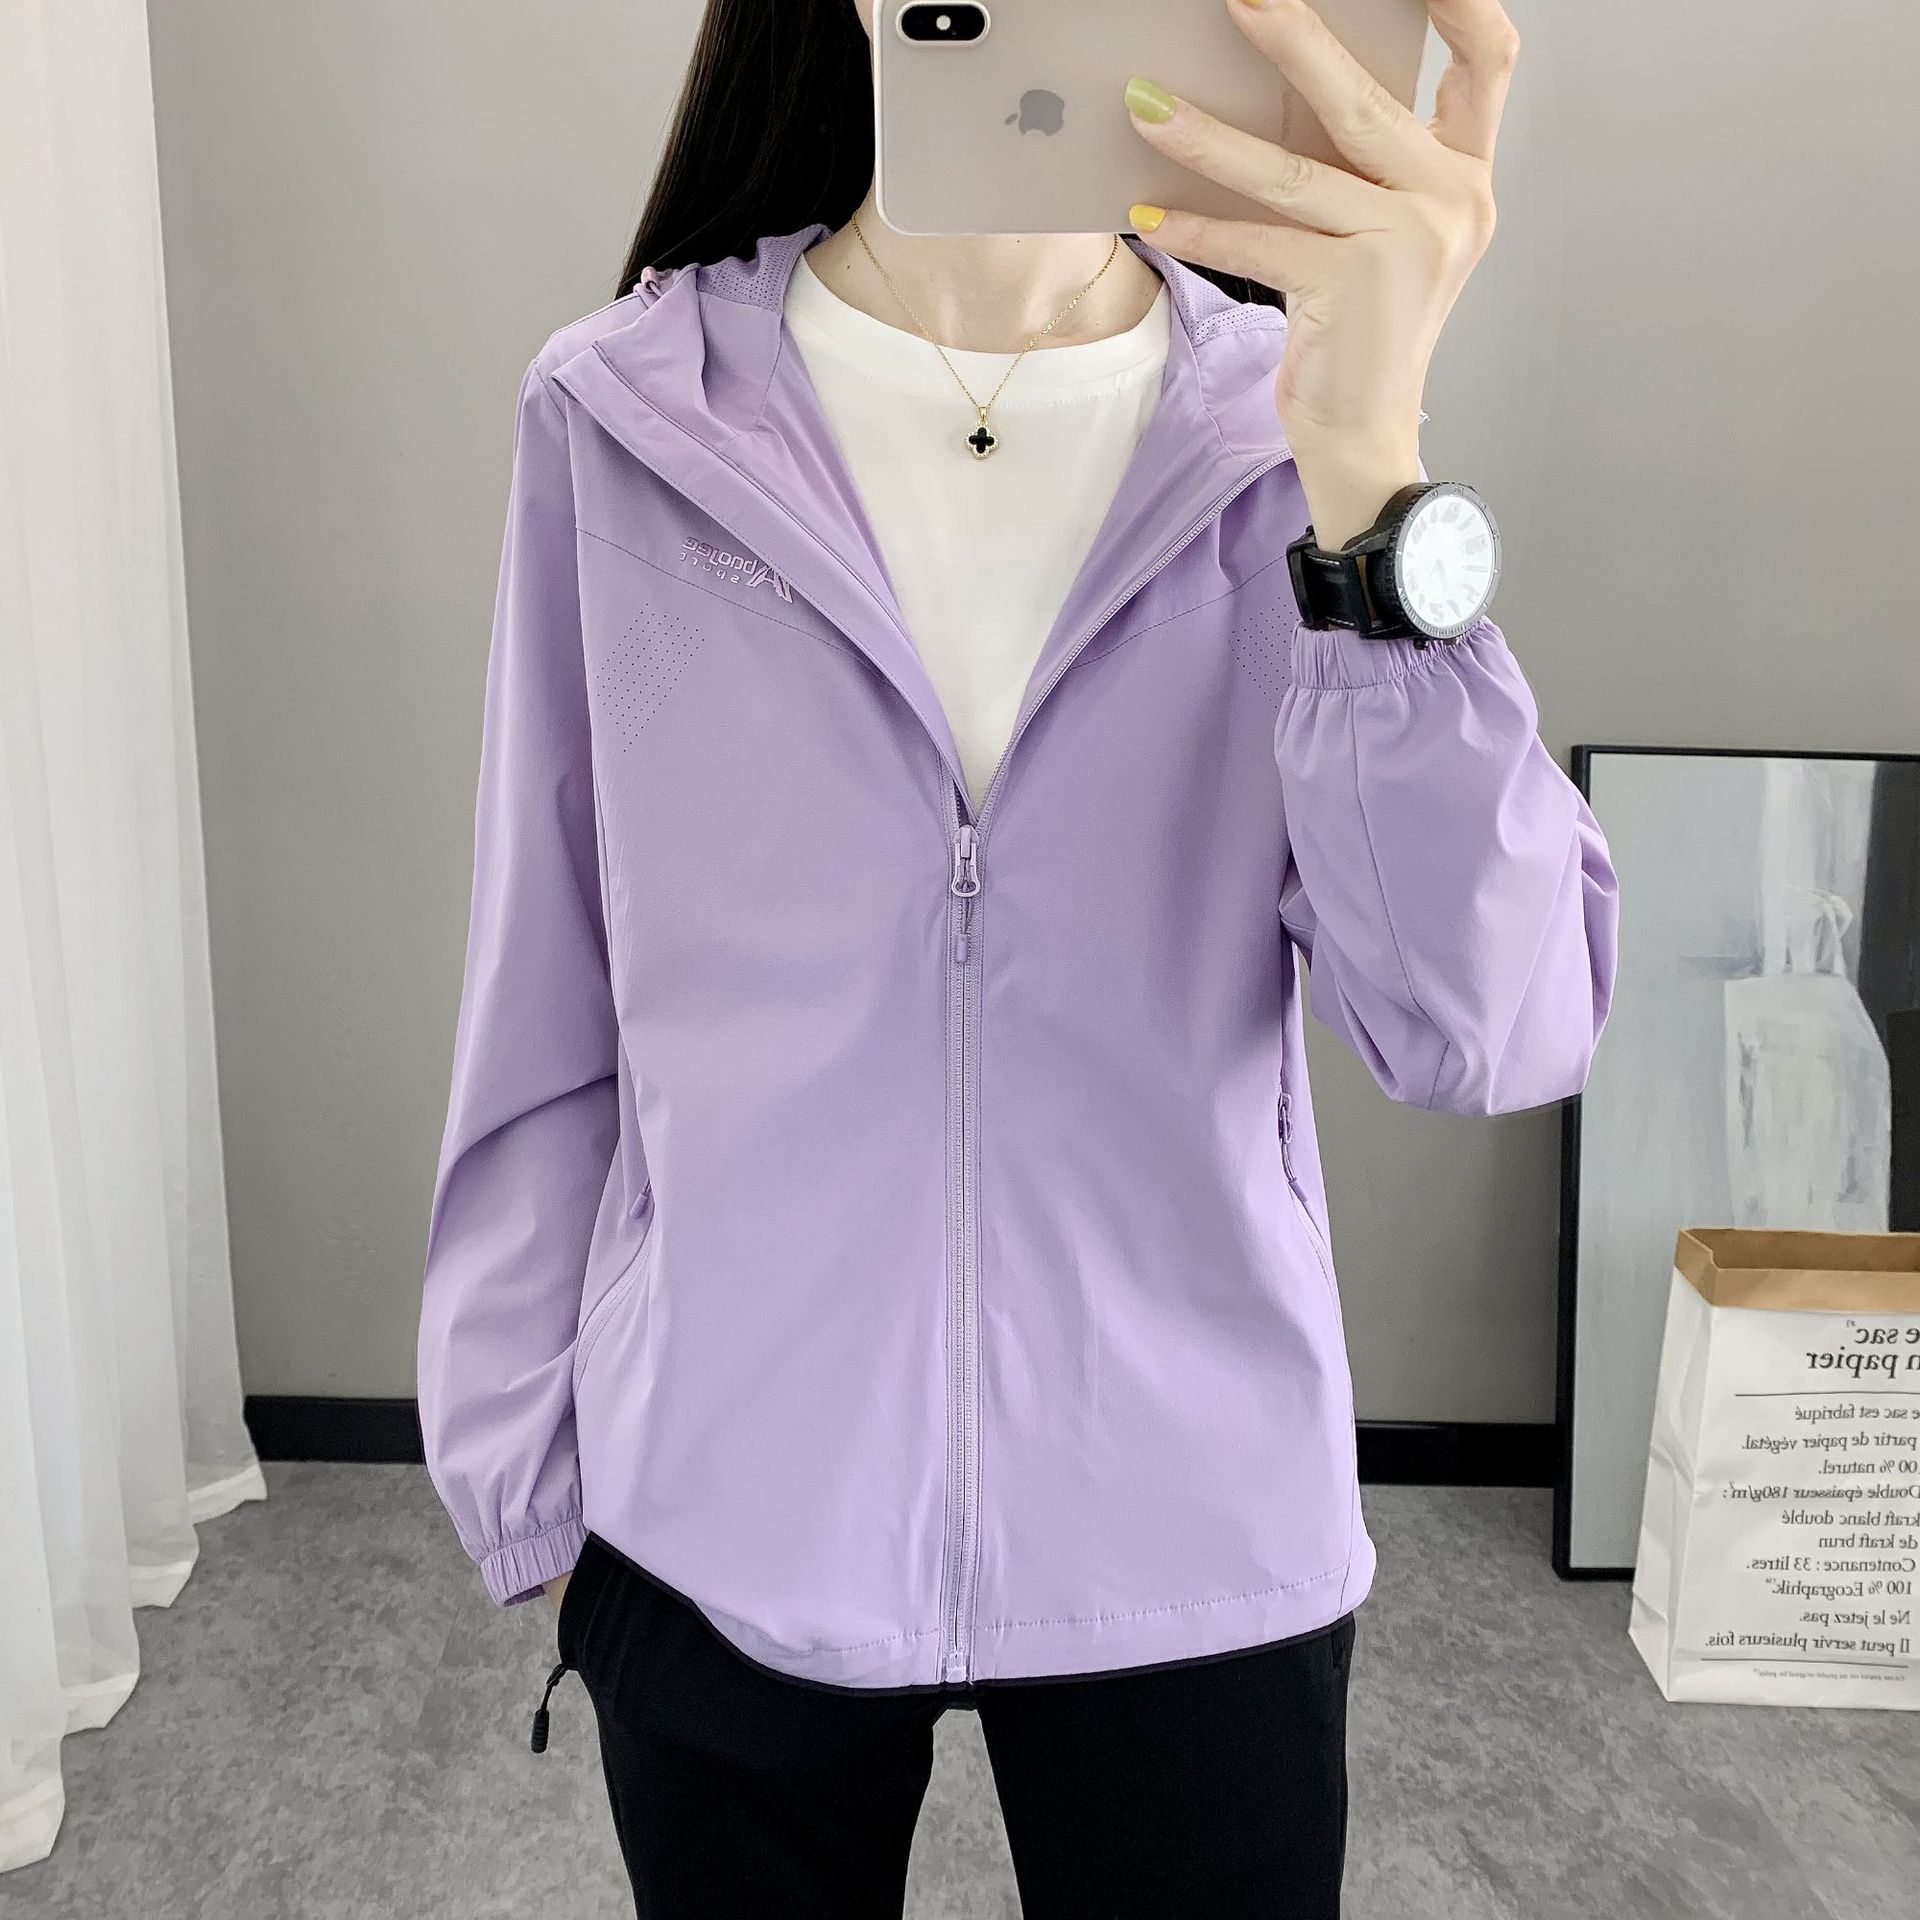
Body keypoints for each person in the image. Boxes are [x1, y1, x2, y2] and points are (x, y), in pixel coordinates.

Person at [416, 1, 1617, 1912]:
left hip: (1198, 1526)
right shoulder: (629, 413)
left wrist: (1369, 470)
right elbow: (545, 981)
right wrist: (535, 1492)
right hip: (723, 1512)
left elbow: (1492, 1027)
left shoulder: (1286, 435)